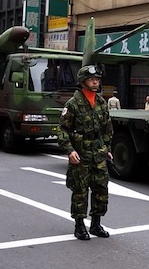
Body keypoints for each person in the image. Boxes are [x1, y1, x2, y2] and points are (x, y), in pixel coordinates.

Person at [57, 65, 114, 241]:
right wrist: (70, 150)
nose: (95, 81)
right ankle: (79, 225)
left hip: (98, 153)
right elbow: (62, 129)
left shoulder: (101, 102)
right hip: (81, 154)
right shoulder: (73, 104)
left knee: (101, 189)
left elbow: (107, 128)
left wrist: (107, 148)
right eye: (91, 79)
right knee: (80, 190)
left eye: (97, 79)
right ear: (83, 82)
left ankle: (96, 224)